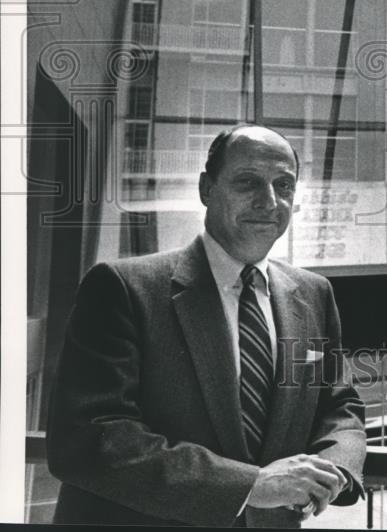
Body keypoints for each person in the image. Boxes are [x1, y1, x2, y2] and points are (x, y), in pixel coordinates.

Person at [46, 123, 367, 527]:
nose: (269, 201)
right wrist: (250, 485)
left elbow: (339, 406)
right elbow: (89, 438)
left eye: (284, 185)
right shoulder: (121, 287)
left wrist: (333, 469)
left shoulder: (314, 293)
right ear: (206, 189)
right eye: (247, 181)